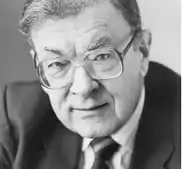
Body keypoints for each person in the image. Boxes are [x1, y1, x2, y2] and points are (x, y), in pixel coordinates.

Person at [0, 0, 180, 169]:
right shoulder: (18, 117)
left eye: (101, 57)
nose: (83, 88)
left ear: (142, 51)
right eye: (57, 64)